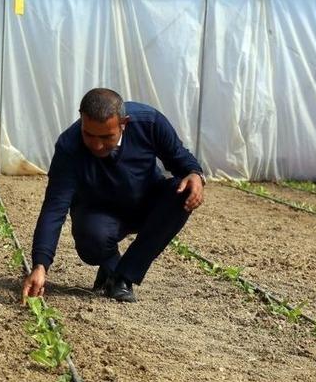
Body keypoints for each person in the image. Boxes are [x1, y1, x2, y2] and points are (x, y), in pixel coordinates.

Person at [21, 88, 205, 303]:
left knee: (181, 193)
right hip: (99, 213)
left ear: (124, 123)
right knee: (91, 237)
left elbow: (180, 158)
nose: (97, 145)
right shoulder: (69, 147)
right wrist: (40, 265)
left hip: (145, 201)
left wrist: (195, 175)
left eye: (107, 137)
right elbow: (54, 208)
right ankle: (111, 265)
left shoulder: (149, 123)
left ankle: (123, 277)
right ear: (82, 118)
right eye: (89, 135)